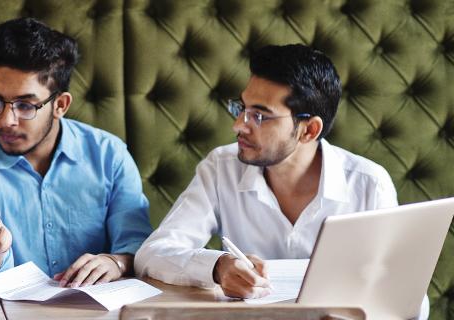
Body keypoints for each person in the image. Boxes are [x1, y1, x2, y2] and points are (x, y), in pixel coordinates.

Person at [134, 44, 399, 298]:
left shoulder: (370, 185)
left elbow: (398, 286)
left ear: (309, 130)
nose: (239, 125)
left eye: (260, 116)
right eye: (242, 108)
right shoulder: (221, 168)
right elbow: (153, 253)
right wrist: (217, 266)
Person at [0, 17, 152, 287]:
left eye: (25, 106)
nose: (6, 120)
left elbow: (138, 245)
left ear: (60, 105)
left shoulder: (109, 155)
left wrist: (115, 262)